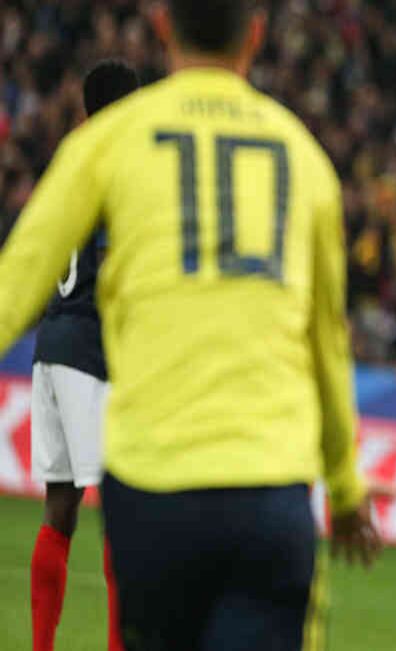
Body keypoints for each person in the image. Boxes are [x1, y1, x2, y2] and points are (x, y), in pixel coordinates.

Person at [0, 1, 380, 648]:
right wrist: (345, 486)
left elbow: (13, 290)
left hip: (154, 488)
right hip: (270, 484)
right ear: (257, 34)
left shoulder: (105, 142)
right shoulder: (305, 156)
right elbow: (326, 340)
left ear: (160, 25)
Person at [29, 58, 137, 651]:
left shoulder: (69, 164)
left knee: (60, 508)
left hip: (48, 348)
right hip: (90, 353)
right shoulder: (117, 166)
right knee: (122, 518)